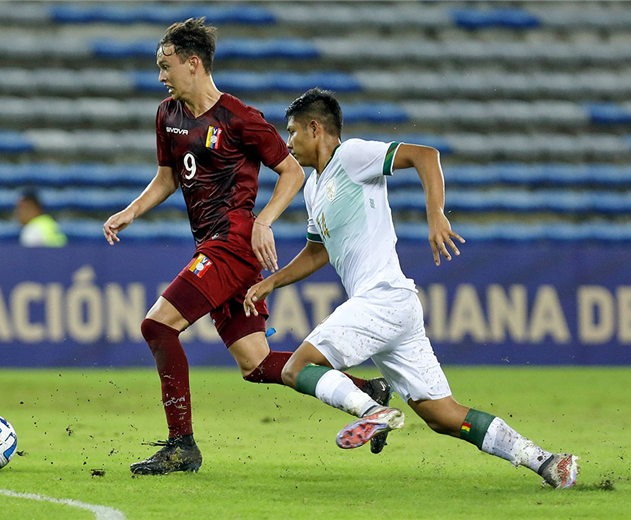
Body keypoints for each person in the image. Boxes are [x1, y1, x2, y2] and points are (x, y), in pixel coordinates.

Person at [243, 88, 579, 489]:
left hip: (381, 299)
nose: (288, 142)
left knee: (297, 368)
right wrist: (272, 282)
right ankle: (548, 462)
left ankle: (373, 411)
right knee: (443, 415)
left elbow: (425, 155)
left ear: (316, 129)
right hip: (394, 307)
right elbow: (318, 252)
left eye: (293, 131)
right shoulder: (315, 188)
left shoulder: (350, 157)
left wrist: (435, 215)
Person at [103, 19, 391, 476]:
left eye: (166, 65)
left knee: (157, 327)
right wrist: (131, 212)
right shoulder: (167, 115)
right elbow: (167, 178)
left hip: (232, 246)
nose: (161, 76)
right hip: (214, 246)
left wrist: (263, 221)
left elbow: (292, 172)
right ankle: (367, 392)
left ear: (192, 63)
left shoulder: (240, 118)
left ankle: (181, 446)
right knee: (255, 364)